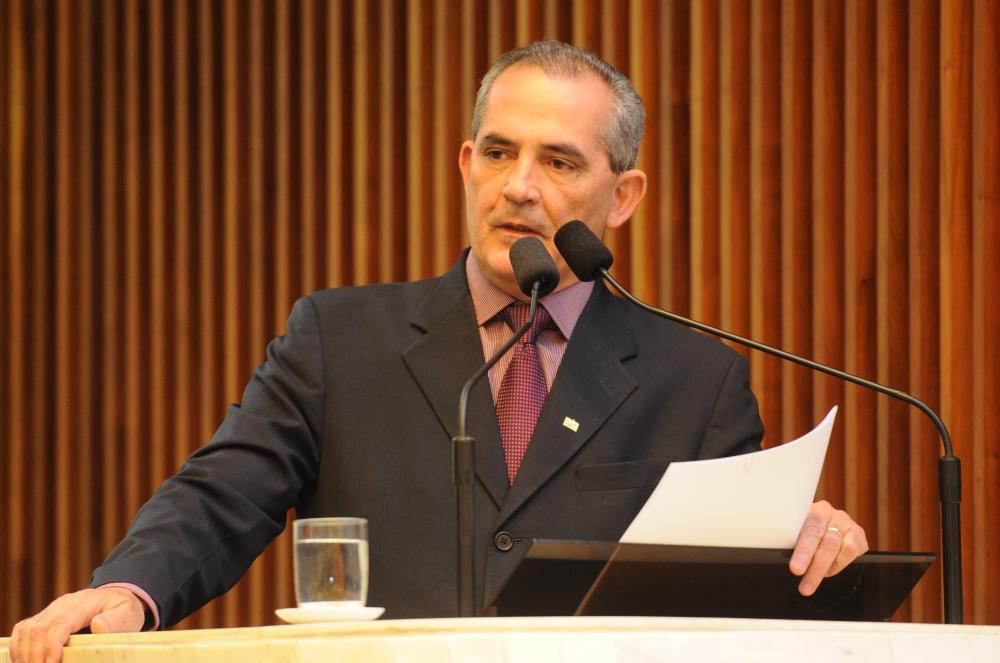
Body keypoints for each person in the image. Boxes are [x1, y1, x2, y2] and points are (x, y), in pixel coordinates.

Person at [9, 41, 867, 662]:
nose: (519, 186)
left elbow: (735, 598)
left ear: (623, 196)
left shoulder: (698, 381)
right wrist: (126, 590)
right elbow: (219, 494)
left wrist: (808, 550)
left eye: (559, 161)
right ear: (465, 163)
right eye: (498, 152)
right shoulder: (340, 339)